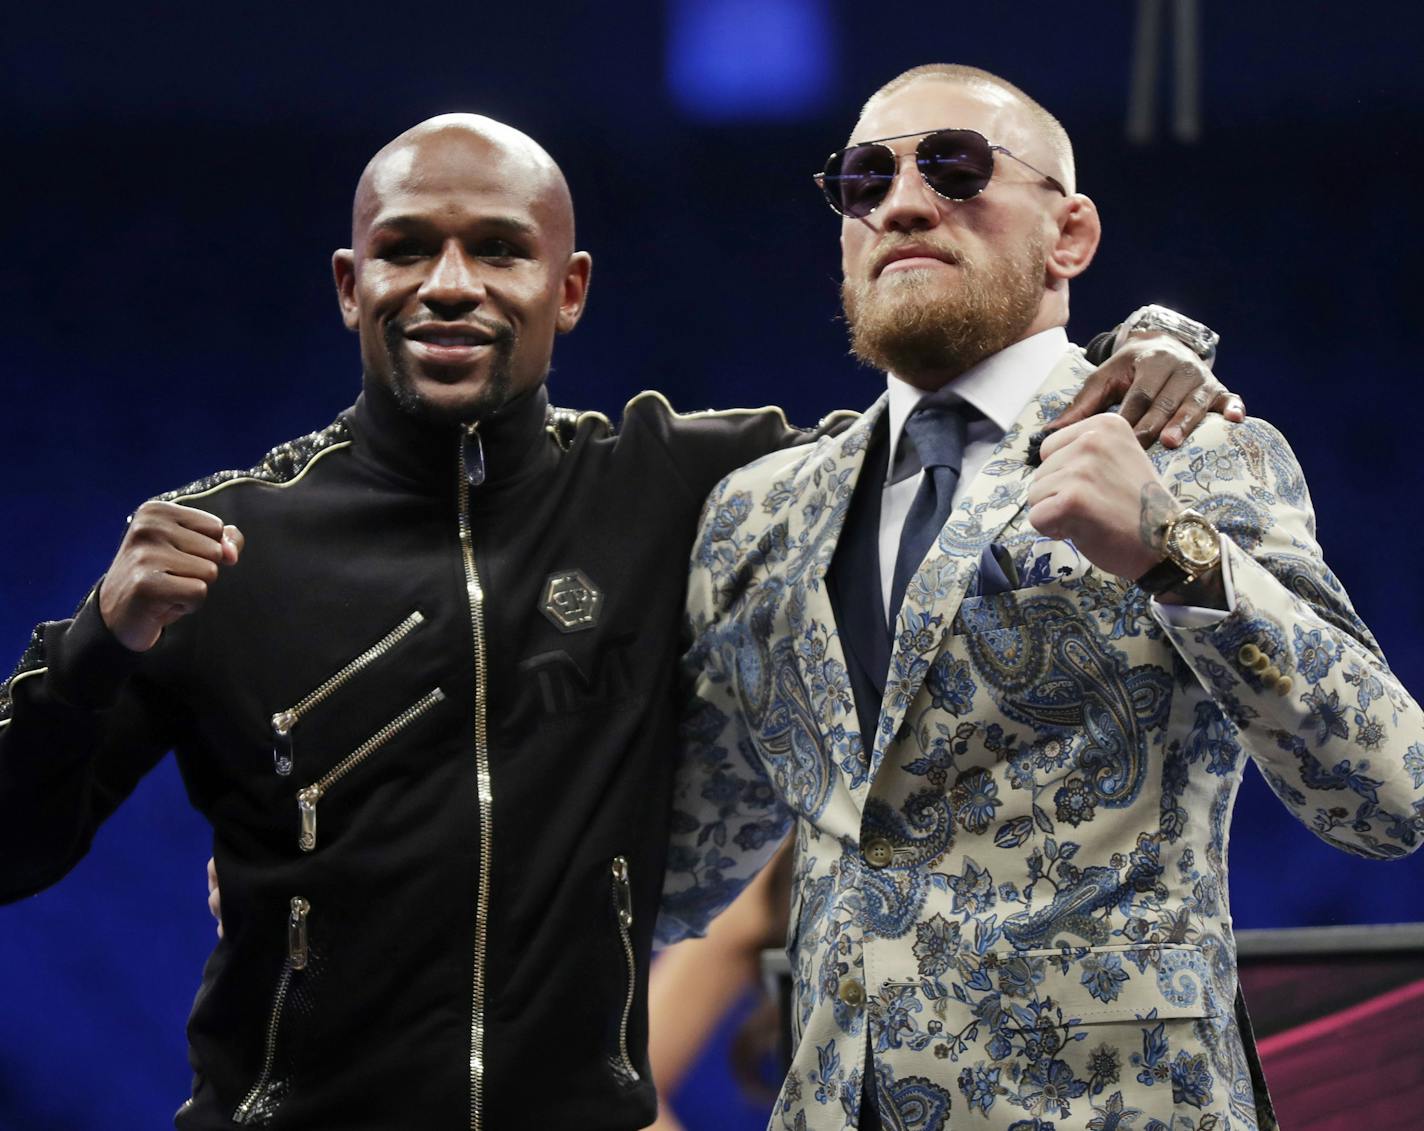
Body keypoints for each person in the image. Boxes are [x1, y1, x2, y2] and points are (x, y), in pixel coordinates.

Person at [0, 111, 1232, 1129]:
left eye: (496, 249)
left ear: (568, 287)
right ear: (348, 283)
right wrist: (96, 647)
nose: (447, 285)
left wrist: (1151, 342)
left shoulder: (689, 491)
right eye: (405, 250)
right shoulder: (221, 549)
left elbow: (960, 433)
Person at [657, 64, 1424, 1131]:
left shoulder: (1188, 450)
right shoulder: (760, 514)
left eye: (955, 166)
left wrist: (1171, 552)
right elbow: (674, 862)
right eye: (863, 180)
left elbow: (1389, 795)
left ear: (1069, 237)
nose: (903, 201)